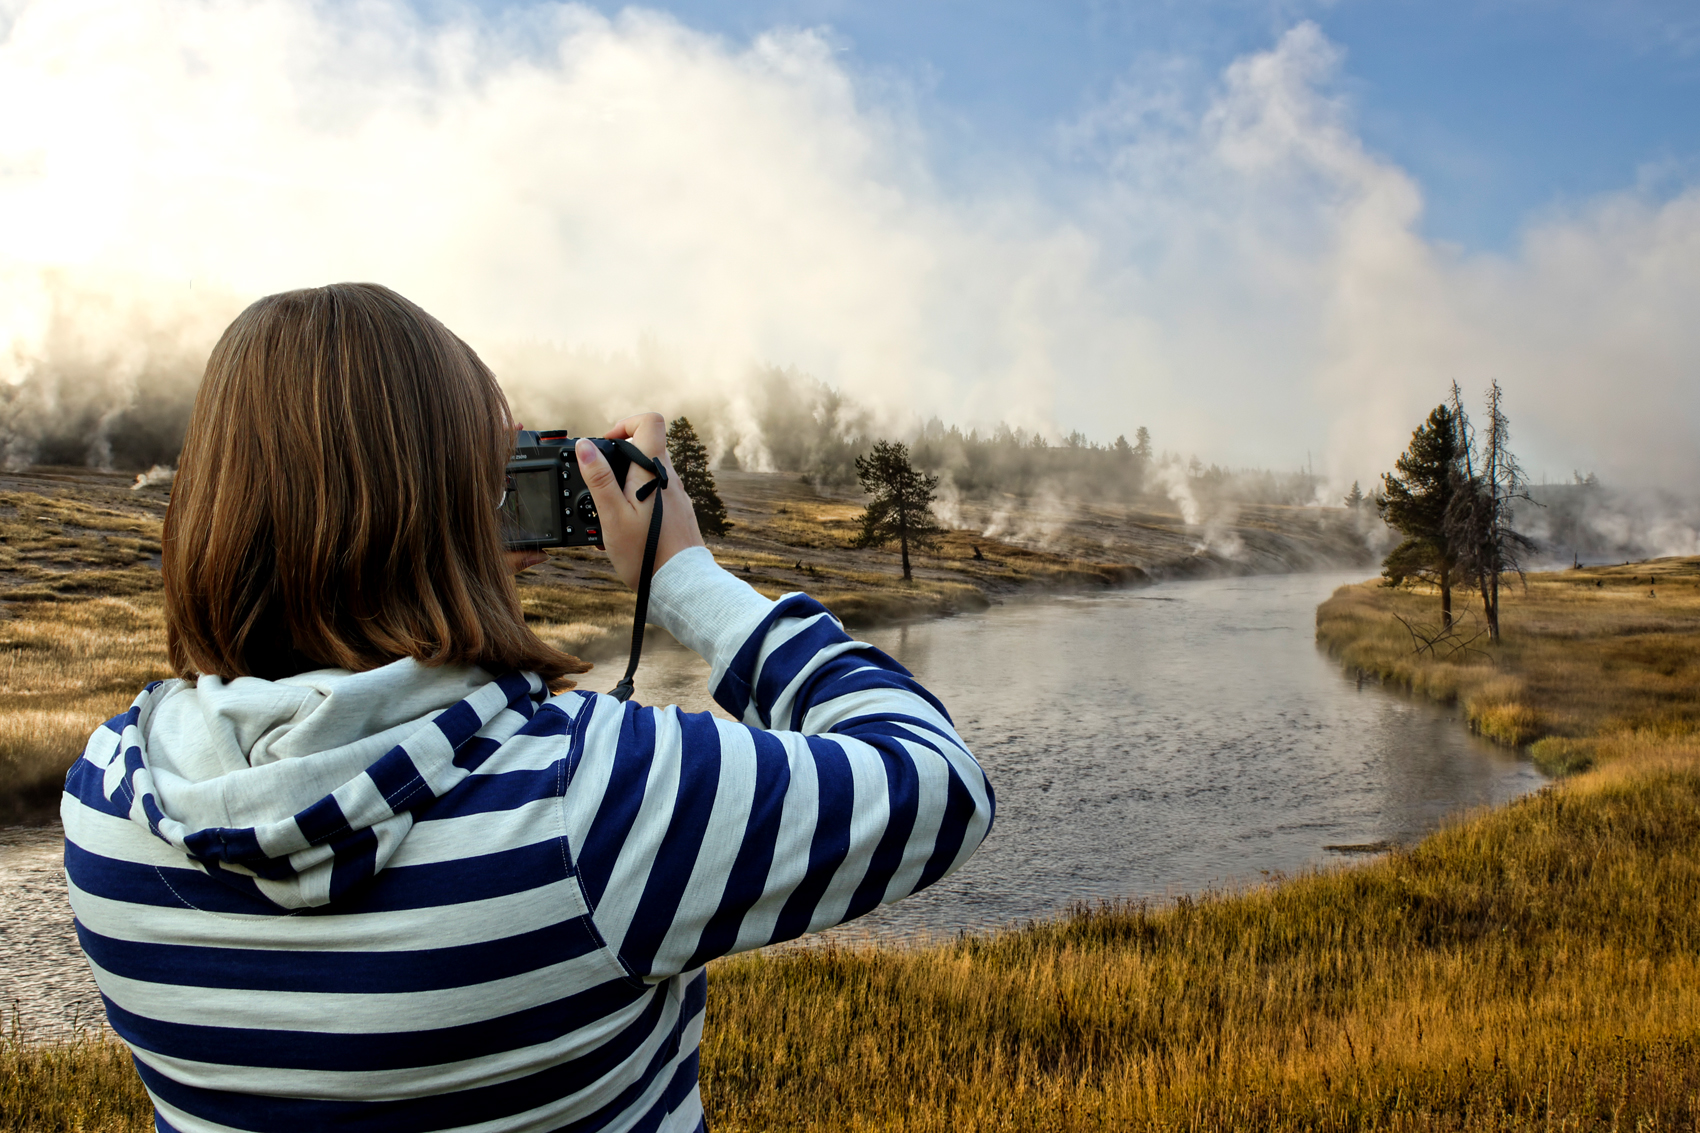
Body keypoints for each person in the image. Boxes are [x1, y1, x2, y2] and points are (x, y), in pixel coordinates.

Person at [61, 283, 993, 1133]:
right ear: (458, 517)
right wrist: (686, 579)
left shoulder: (108, 799)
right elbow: (938, 780)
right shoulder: (592, 802)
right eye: (495, 481)